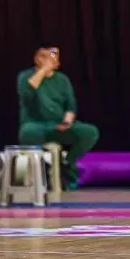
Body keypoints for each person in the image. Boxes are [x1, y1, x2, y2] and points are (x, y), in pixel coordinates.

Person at [17, 47, 100, 189]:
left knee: (90, 132)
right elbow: (26, 95)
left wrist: (67, 122)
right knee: (27, 132)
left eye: (52, 56)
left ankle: (66, 164)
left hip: (57, 125)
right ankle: (44, 168)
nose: (49, 59)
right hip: (36, 125)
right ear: (36, 59)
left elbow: (71, 106)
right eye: (44, 56)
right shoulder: (25, 76)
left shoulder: (62, 79)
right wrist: (43, 70)